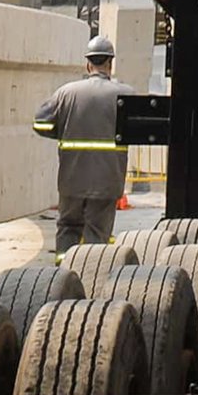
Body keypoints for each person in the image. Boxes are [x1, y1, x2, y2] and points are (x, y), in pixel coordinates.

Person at [31, 31, 131, 250]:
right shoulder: (125, 94)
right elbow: (140, 130)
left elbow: (40, 123)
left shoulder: (66, 93)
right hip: (107, 180)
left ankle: (64, 276)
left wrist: (63, 131)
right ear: (110, 63)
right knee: (97, 232)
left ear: (88, 64)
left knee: (68, 227)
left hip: (72, 179)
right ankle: (92, 276)